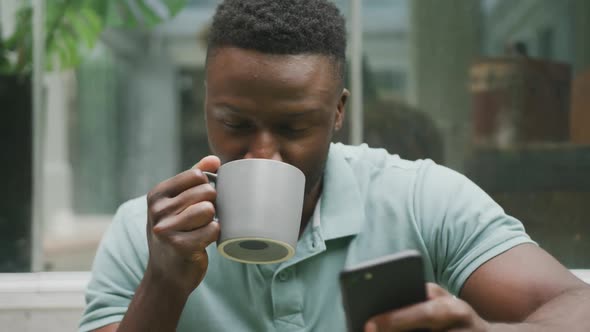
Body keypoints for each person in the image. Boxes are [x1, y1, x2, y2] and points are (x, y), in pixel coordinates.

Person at [79, 1, 590, 331]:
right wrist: (164, 285)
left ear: (338, 111)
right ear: (207, 104)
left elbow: (576, 306)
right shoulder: (145, 233)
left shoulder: (421, 199)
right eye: (234, 122)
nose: (262, 153)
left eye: (294, 127)